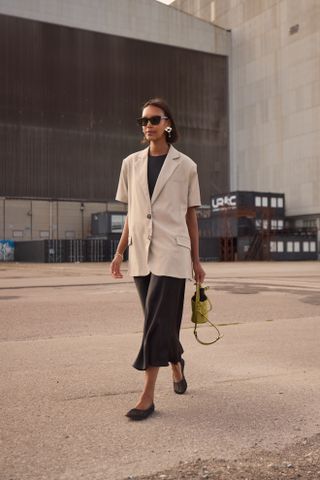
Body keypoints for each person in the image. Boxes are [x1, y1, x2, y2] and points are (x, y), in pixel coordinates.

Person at [110, 98, 205, 420]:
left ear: (168, 124)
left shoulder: (187, 166)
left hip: (172, 252)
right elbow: (131, 213)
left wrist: (196, 260)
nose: (147, 125)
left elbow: (191, 217)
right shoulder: (130, 163)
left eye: (153, 119)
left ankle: (147, 395)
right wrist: (120, 251)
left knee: (154, 324)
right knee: (159, 321)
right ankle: (176, 363)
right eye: (143, 121)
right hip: (140, 252)